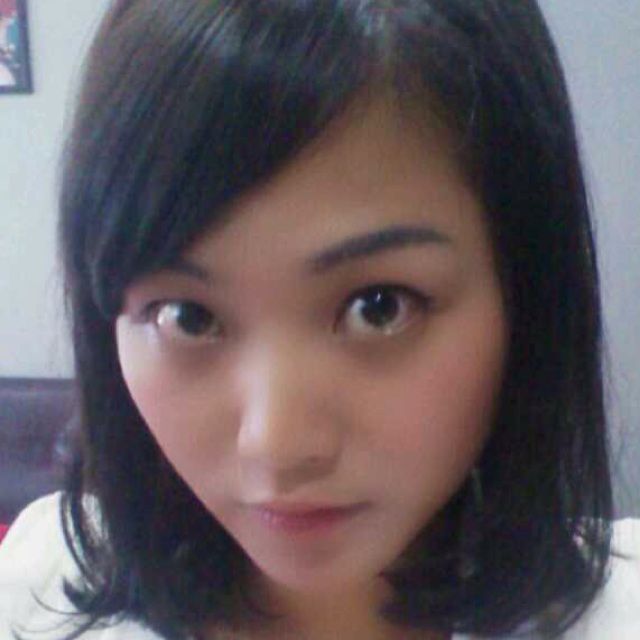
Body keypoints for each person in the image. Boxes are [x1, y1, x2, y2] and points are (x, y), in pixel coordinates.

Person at [0, 0, 638, 638]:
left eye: (379, 308)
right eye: (188, 317)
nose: (277, 447)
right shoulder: (36, 594)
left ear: (524, 293)